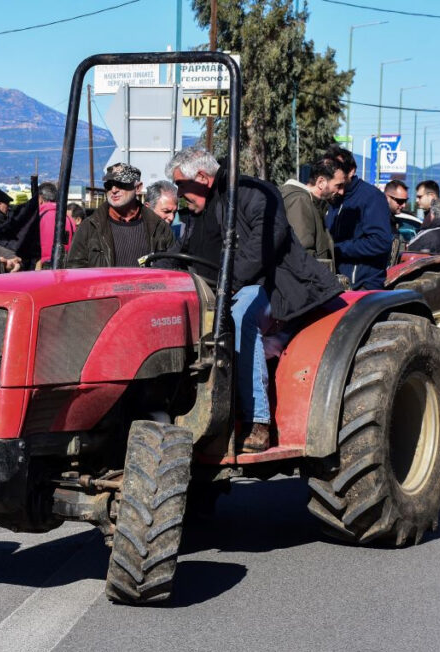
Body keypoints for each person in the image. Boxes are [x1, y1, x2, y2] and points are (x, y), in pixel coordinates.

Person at [167, 146, 343, 452]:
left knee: (240, 316)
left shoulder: (254, 193)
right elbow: (189, 251)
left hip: (274, 285)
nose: (180, 193)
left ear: (202, 177)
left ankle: (257, 421)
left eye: (182, 185)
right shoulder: (204, 208)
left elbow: (263, 246)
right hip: (232, 284)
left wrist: (229, 283)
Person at [69, 163, 175, 268]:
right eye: (109, 185)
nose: (114, 190)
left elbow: (173, 270)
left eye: (121, 184)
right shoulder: (89, 227)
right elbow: (73, 270)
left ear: (138, 188)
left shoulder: (160, 228)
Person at [323, 145, 392, 290]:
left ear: (351, 171)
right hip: (336, 283)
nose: (332, 172)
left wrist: (337, 249)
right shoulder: (333, 199)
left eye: (337, 167)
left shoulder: (371, 197)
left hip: (362, 286)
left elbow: (380, 241)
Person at [278, 158, 342, 264]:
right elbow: (303, 255)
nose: (341, 191)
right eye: (338, 185)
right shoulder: (300, 202)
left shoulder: (311, 202)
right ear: (321, 182)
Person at [38, 181, 77, 267]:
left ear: (40, 199)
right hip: (65, 267)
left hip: (41, 267)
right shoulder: (69, 219)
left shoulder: (38, 217)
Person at [383, 178, 410, 265]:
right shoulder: (378, 219)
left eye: (405, 201)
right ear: (387, 197)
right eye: (400, 201)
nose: (404, 205)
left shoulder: (392, 220)